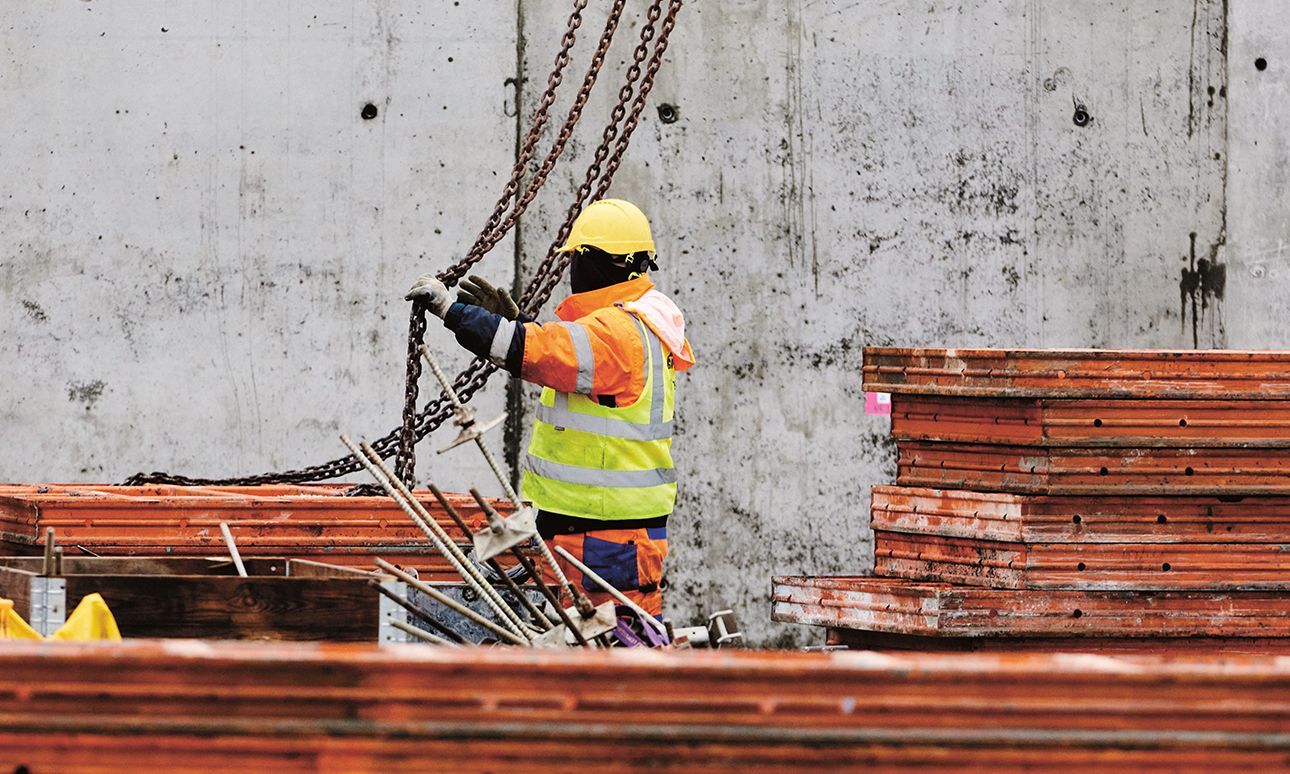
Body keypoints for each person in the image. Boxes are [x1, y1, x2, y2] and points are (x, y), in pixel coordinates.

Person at [406, 199, 694, 617]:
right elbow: (564, 359)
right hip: (599, 531)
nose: (572, 268)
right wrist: (519, 323)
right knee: (595, 651)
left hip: (602, 538)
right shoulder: (635, 323)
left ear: (597, 262)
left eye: (577, 258)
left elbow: (535, 352)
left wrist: (451, 311)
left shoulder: (617, 331)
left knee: (608, 658)